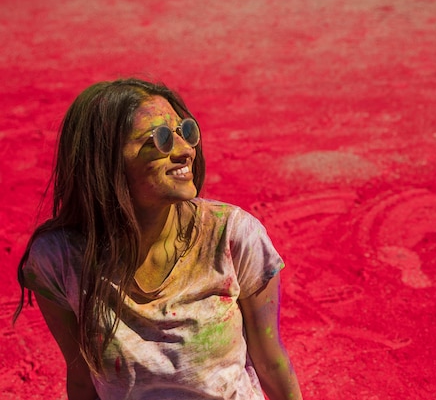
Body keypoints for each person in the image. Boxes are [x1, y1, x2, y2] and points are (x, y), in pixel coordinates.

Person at [13, 78, 303, 400]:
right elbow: (82, 380)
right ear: (106, 161)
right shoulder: (59, 260)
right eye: (160, 140)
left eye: (185, 132)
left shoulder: (231, 237)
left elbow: (271, 362)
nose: (185, 151)